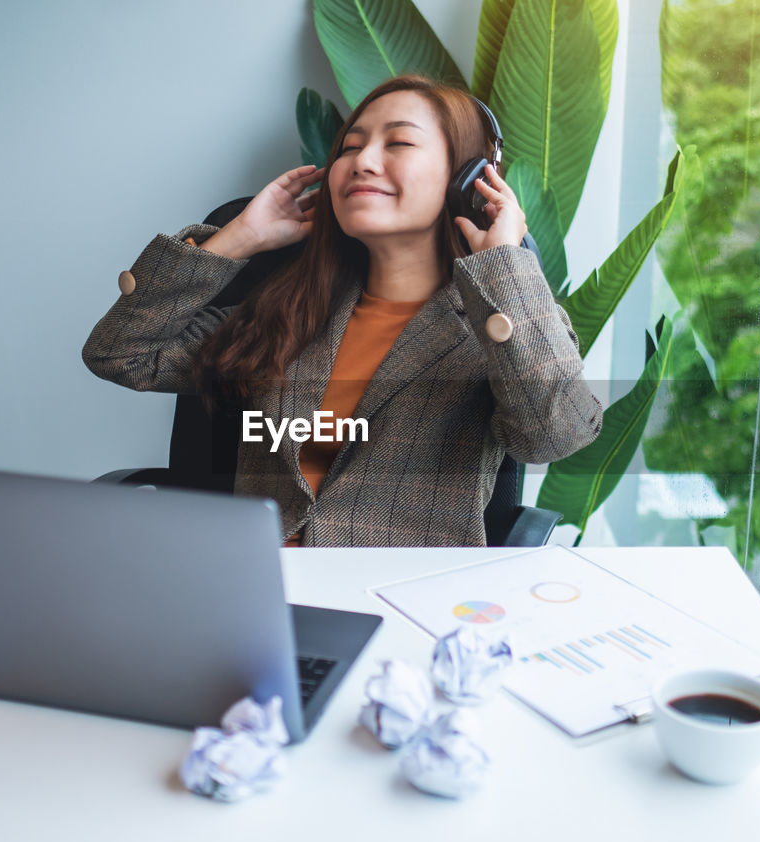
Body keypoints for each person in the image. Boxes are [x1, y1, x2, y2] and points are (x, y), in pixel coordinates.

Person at [82, 74, 602, 547]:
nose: (363, 161)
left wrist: (505, 268)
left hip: (402, 609)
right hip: (256, 594)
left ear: (470, 179)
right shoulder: (285, 310)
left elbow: (555, 434)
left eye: (397, 142)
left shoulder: (499, 324)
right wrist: (240, 237)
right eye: (351, 147)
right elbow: (119, 354)